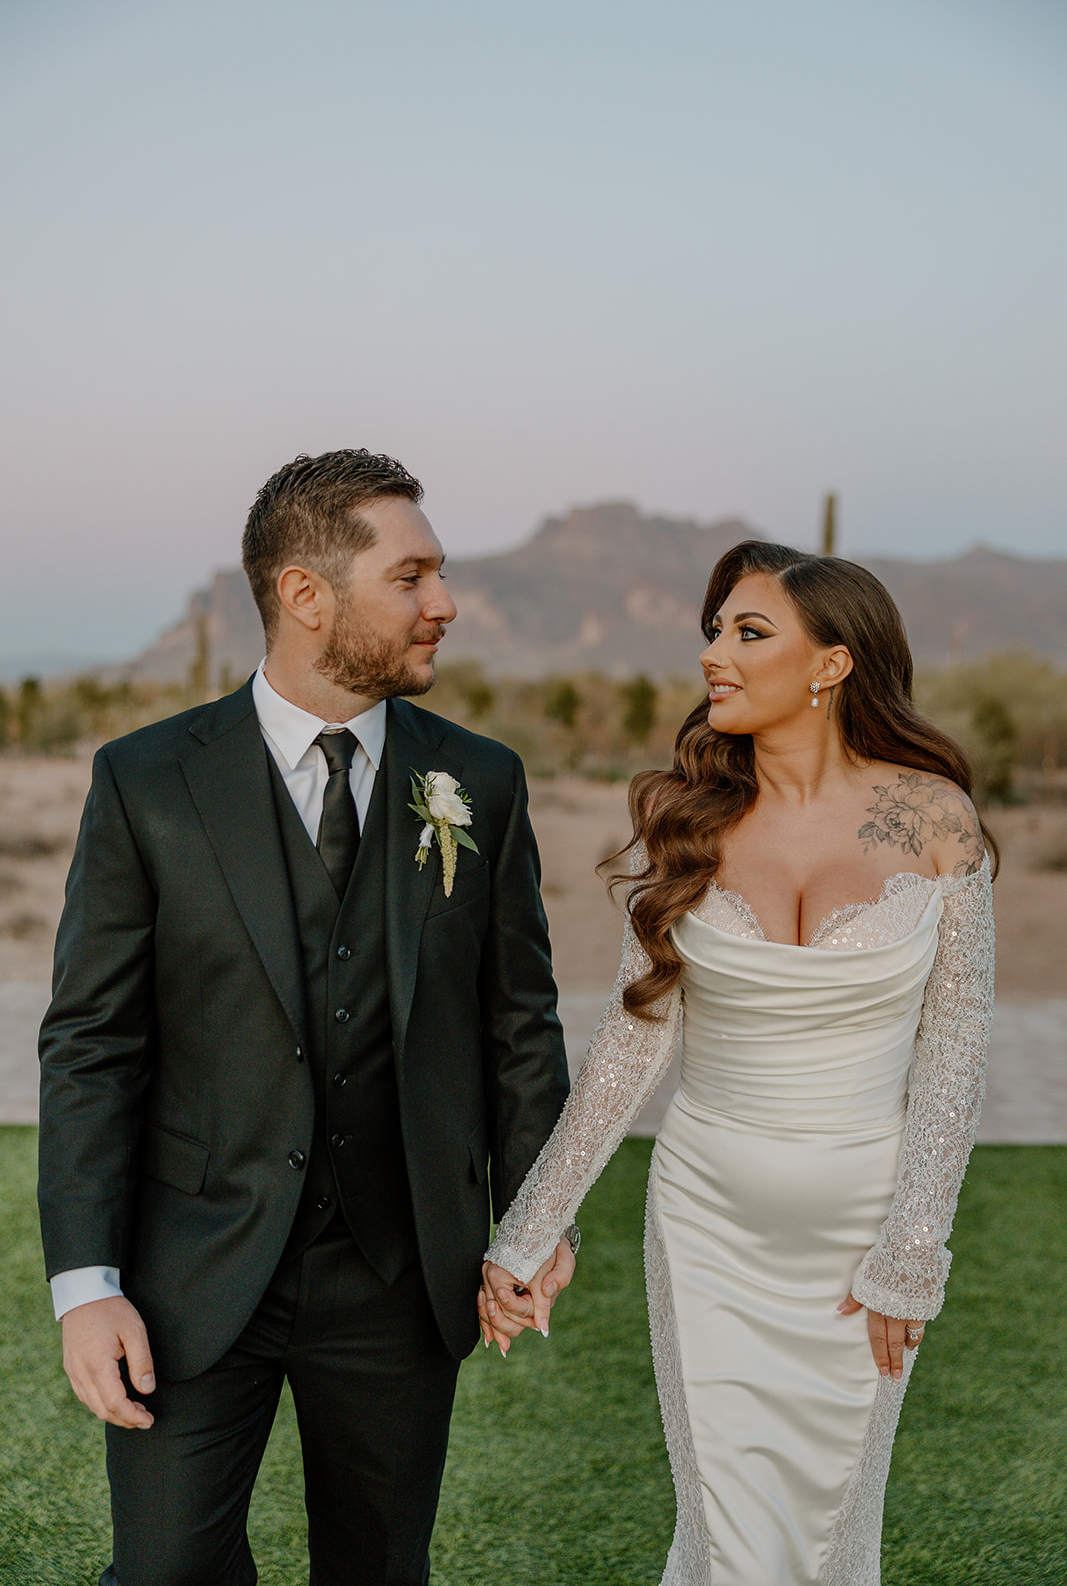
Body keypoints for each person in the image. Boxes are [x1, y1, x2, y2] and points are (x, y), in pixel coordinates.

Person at [38, 448, 575, 1586]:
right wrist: (86, 1287)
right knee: (164, 1573)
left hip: (398, 1270)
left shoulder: (479, 777)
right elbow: (92, 1043)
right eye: (411, 576)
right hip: (190, 1268)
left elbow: (518, 1022)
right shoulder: (146, 780)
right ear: (304, 593)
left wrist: (536, 1217)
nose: (444, 604)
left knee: (379, 1569)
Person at [480, 540, 995, 1586]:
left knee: (826, 1537)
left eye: (747, 631)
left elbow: (954, 1057)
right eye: (713, 630)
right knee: (725, 1528)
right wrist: (528, 1231)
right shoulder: (685, 819)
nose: (715, 652)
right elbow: (629, 1048)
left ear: (831, 664)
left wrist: (911, 1253)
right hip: (706, 1220)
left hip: (862, 1236)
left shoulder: (935, 820)